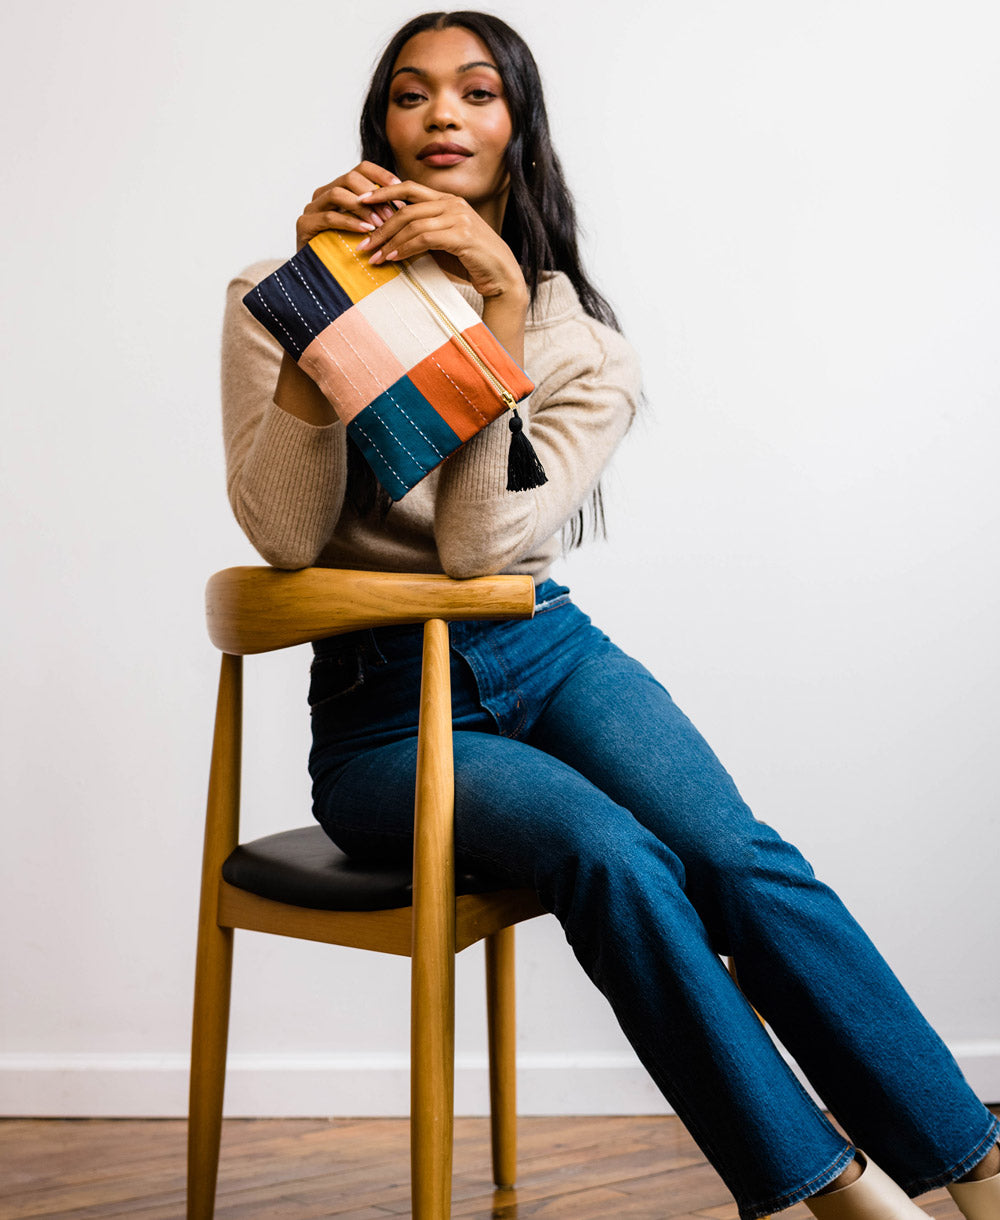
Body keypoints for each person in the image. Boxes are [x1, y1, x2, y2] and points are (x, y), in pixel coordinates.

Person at [220, 11, 999, 1220]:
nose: (442, 116)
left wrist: (494, 308)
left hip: (548, 652)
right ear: (379, 125)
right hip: (383, 719)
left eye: (477, 93)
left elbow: (485, 546)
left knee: (737, 855)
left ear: (518, 131)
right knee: (613, 851)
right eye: (411, 94)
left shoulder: (583, 346)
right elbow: (279, 532)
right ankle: (832, 1189)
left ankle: (976, 1163)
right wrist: (324, 314)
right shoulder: (279, 302)